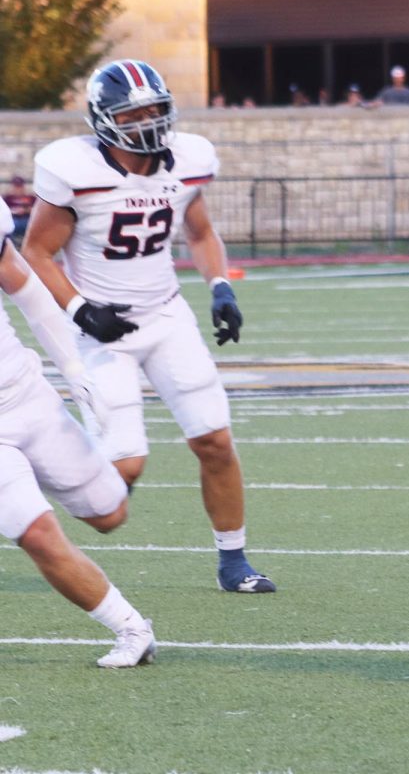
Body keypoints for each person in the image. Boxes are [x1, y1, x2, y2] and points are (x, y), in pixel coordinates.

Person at [21, 59, 276, 595]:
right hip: (100, 330)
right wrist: (79, 310)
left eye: (155, 109)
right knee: (124, 475)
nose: (147, 122)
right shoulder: (75, 169)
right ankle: (27, 492)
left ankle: (234, 562)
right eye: (133, 113)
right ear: (104, 118)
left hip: (166, 316)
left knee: (214, 440)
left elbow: (201, 233)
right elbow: (37, 252)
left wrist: (219, 287)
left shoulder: (188, 159)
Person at [0, 199, 156, 667]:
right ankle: (132, 629)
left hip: (26, 394)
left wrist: (71, 365)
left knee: (109, 514)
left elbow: (24, 286)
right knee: (38, 534)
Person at [2, 175, 34, 240]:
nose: (18, 189)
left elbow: (37, 211)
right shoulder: (7, 198)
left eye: (20, 187)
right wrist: (13, 211)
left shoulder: (31, 198)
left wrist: (26, 210)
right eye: (16, 187)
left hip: (27, 219)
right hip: (13, 219)